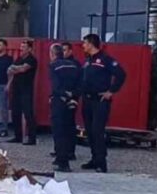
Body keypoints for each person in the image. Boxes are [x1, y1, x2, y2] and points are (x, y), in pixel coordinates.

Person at [80, 33, 127, 173]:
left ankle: (101, 162)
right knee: (89, 131)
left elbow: (121, 74)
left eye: (85, 43)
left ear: (91, 44)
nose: (83, 46)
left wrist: (111, 91)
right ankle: (94, 159)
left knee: (97, 131)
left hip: (99, 101)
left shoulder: (105, 59)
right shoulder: (88, 60)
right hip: (87, 100)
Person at [49, 43, 82, 172]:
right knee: (70, 127)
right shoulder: (75, 65)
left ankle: (62, 161)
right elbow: (81, 83)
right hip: (72, 100)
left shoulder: (54, 66)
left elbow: (55, 86)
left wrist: (63, 95)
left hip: (59, 100)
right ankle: (69, 152)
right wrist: (73, 95)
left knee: (59, 130)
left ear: (53, 54)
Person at [8, 38, 39, 145]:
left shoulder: (32, 59)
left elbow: (23, 69)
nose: (21, 49)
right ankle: (18, 136)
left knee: (28, 113)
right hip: (16, 88)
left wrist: (15, 68)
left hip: (26, 89)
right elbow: (11, 71)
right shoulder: (19, 58)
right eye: (21, 47)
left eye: (24, 47)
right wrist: (9, 84)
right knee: (15, 112)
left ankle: (32, 138)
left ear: (29, 49)